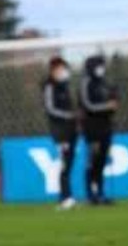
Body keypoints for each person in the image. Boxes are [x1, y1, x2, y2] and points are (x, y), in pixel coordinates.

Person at [80, 55, 119, 205]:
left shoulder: (103, 83)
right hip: (91, 129)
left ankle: (101, 193)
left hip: (105, 127)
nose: (101, 69)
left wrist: (114, 101)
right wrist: (107, 106)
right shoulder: (86, 82)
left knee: (102, 162)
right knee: (93, 161)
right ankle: (90, 194)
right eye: (99, 66)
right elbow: (87, 105)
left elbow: (111, 103)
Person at [42, 57, 78, 210]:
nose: (63, 72)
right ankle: (65, 197)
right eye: (60, 69)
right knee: (64, 163)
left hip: (71, 130)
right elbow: (50, 109)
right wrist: (69, 115)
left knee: (68, 163)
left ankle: (66, 196)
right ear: (53, 70)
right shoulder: (49, 87)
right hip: (60, 131)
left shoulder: (66, 86)